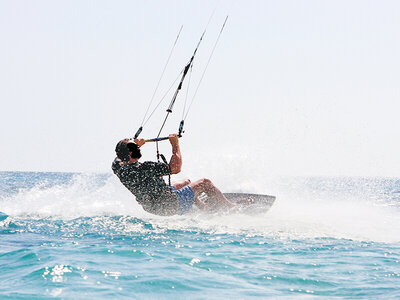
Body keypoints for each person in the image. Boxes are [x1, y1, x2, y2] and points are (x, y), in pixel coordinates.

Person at [112, 134, 234, 216]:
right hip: (171, 205)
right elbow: (175, 168)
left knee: (186, 182)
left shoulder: (119, 168)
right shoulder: (145, 168)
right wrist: (175, 144)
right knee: (205, 183)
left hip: (152, 207)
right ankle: (231, 208)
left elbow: (120, 155)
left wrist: (134, 146)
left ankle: (203, 208)